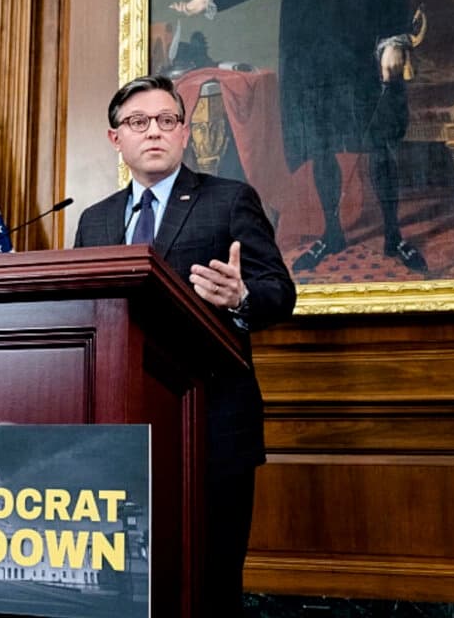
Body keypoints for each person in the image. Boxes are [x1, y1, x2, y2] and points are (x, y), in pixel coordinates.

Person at [74, 75, 296, 616]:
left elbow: (280, 293)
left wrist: (242, 296)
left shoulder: (227, 200)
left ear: (185, 132)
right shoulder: (94, 219)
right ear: (115, 139)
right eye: (138, 122)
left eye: (168, 121)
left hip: (213, 426)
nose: (154, 132)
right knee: (125, 587)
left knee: (210, 584)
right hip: (120, 434)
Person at [171, 0, 428, 273]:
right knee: (321, 151)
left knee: (378, 148)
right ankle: (333, 232)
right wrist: (210, 2)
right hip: (312, 73)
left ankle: (393, 236)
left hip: (360, 67)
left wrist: (393, 42)